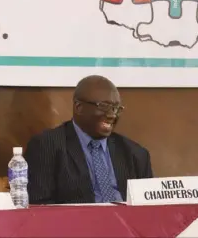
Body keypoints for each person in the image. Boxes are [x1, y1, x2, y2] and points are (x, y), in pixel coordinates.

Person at [26, 75, 153, 204]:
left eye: (116, 108)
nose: (112, 115)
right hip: (76, 222)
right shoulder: (47, 146)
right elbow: (40, 206)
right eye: (104, 106)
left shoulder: (135, 154)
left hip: (126, 222)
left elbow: (149, 206)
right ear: (79, 107)